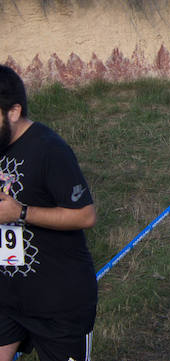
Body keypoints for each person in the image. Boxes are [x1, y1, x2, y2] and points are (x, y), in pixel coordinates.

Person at [0, 65, 98, 361]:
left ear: (14, 111)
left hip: (59, 305)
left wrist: (21, 212)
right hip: (7, 299)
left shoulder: (49, 149)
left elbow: (85, 215)